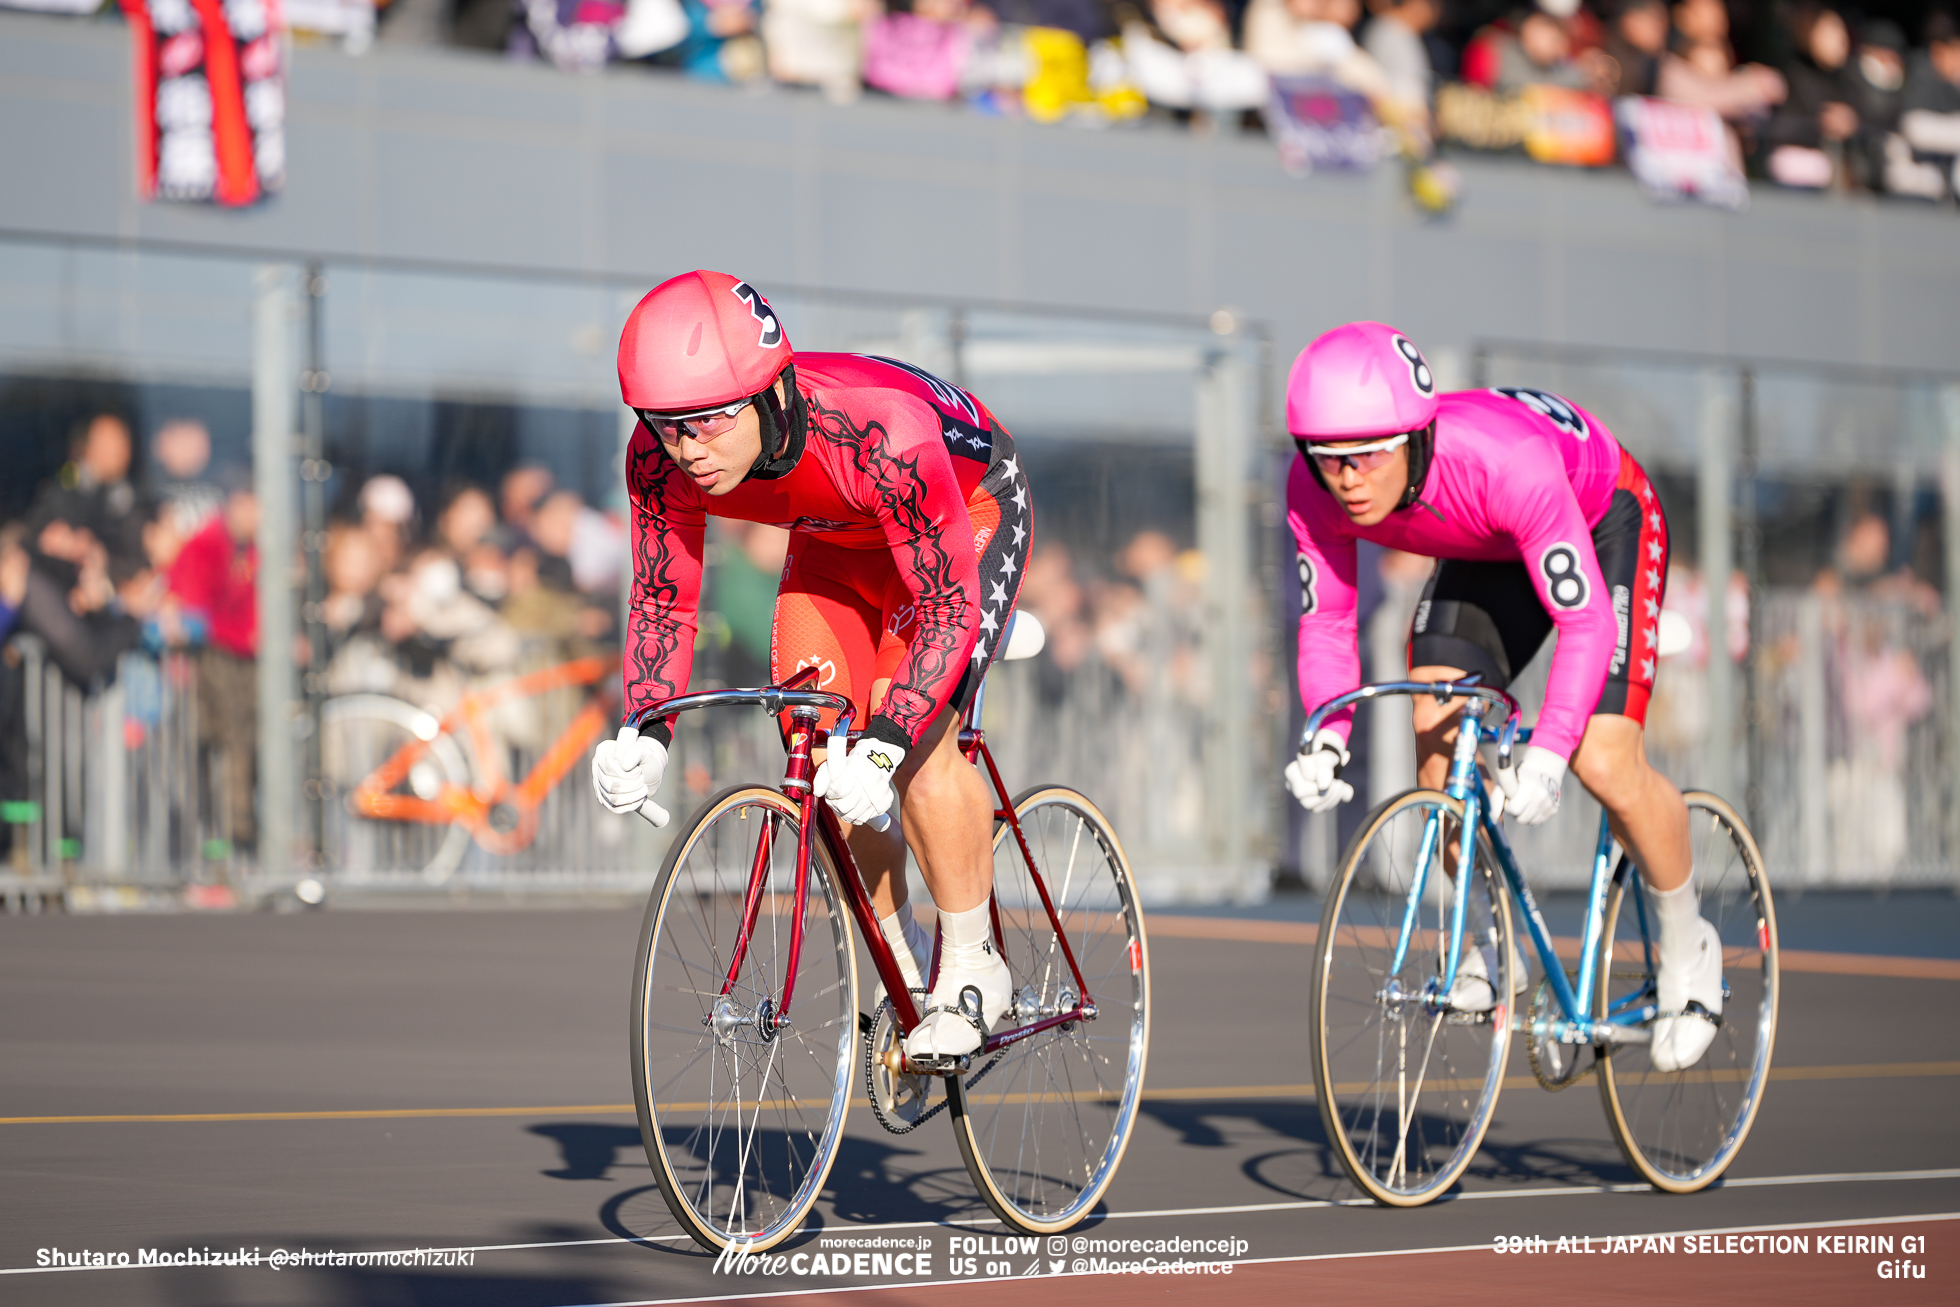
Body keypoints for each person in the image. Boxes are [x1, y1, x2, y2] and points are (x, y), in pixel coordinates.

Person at [590, 271, 1033, 1064]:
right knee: (821, 759)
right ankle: (904, 976)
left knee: (919, 748)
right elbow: (662, 601)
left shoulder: (876, 429)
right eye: (665, 425)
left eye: (708, 422)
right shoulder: (657, 462)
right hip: (837, 541)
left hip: (963, 515)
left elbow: (945, 607)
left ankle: (973, 970)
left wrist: (892, 738)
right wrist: (646, 729)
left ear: (770, 396)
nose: (688, 451)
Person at [1280, 321, 1719, 1073]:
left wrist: (1548, 754)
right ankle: (1494, 943)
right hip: (1489, 545)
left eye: (1361, 457)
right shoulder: (1315, 489)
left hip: (1596, 513)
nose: (1344, 479)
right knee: (1436, 732)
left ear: (1414, 438)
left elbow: (1584, 622)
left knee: (1603, 759)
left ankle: (1691, 946)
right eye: (1325, 460)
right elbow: (1327, 621)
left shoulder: (1505, 461)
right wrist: (1328, 733)